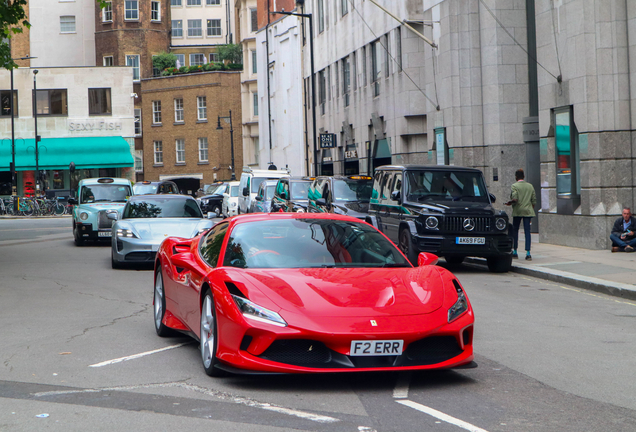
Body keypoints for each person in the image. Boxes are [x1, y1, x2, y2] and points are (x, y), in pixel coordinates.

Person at [505, 169, 537, 260]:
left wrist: (510, 203)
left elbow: (515, 198)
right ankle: (528, 253)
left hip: (518, 210)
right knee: (527, 231)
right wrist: (531, 210)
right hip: (528, 211)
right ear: (524, 176)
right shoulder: (530, 186)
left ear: (516, 177)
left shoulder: (514, 186)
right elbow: (534, 200)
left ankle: (515, 251)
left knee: (515, 230)